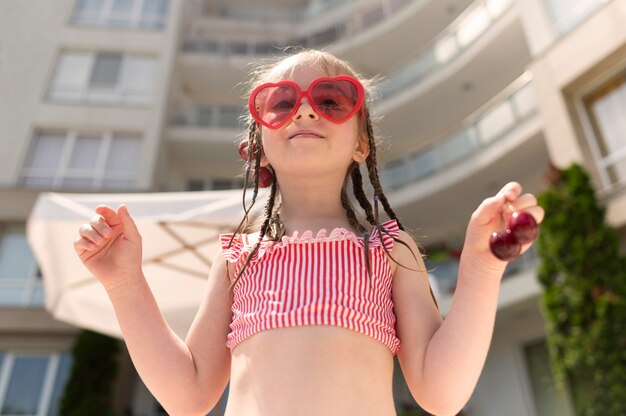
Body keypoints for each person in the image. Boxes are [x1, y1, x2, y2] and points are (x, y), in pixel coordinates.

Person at [74, 50, 544, 416]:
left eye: (331, 100)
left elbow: (441, 394)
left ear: (362, 143)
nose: (304, 111)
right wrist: (124, 283)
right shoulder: (240, 258)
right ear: (258, 148)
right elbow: (188, 396)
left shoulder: (387, 251)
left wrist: (481, 267)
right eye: (280, 103)